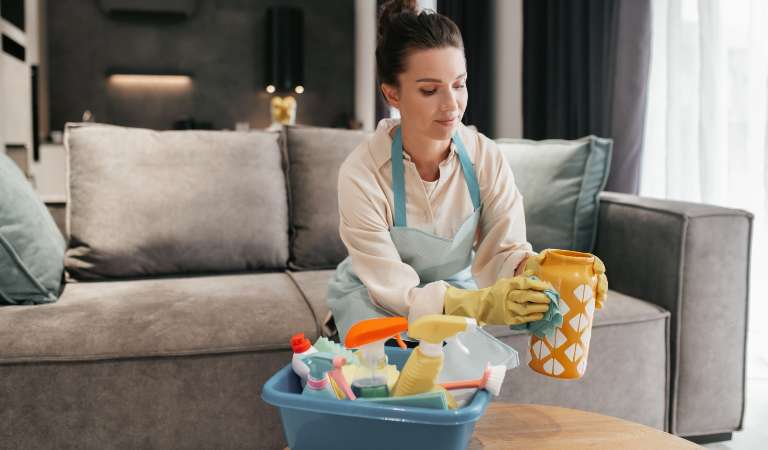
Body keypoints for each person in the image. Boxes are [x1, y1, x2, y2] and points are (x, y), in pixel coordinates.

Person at [326, 0, 604, 344]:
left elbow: (505, 250)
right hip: (377, 297)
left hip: (456, 293)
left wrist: (546, 272)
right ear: (391, 94)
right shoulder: (362, 174)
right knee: (385, 375)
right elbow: (393, 290)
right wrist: (482, 305)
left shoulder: (484, 157)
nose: (451, 104)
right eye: (429, 90)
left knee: (464, 381)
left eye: (459, 84)